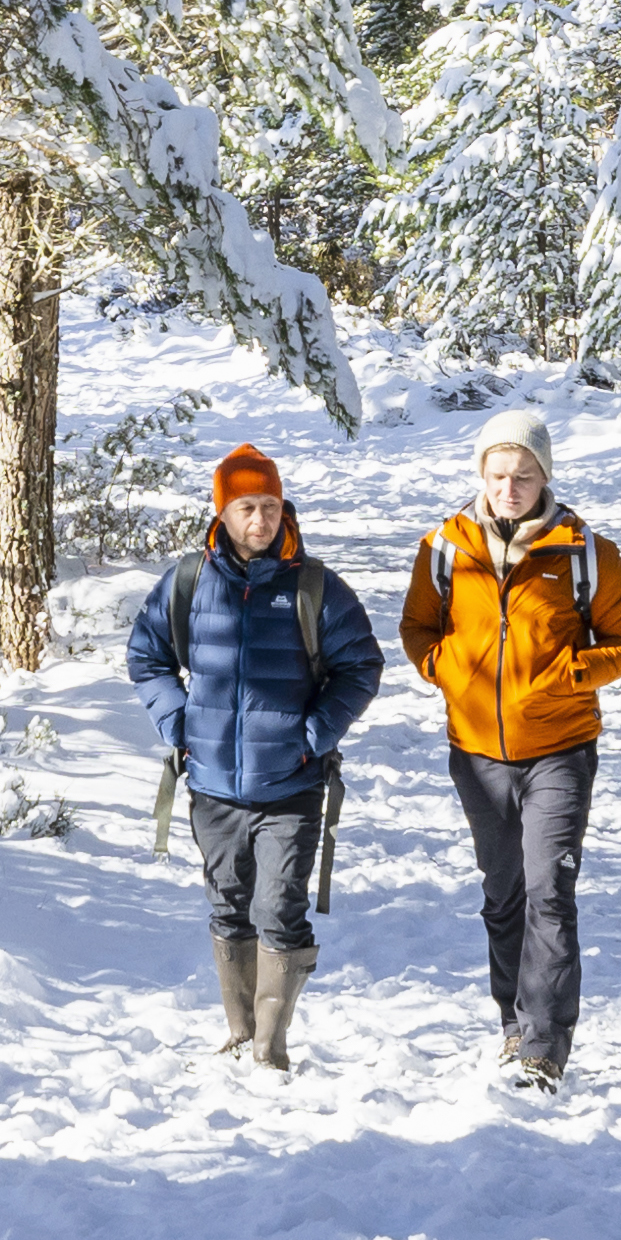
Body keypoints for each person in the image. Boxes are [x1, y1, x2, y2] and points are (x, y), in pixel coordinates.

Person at [401, 419, 621, 1088]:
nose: (510, 487)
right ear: (481, 475)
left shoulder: (583, 552)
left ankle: (544, 1043)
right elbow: (417, 626)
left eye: (525, 475)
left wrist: (568, 674)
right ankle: (513, 1023)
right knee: (504, 892)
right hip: (477, 751)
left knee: (549, 891)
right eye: (498, 474)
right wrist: (447, 668)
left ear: (545, 476)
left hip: (560, 749)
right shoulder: (443, 549)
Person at [120, 442, 381, 1071]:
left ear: (282, 507)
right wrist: (177, 723)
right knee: (229, 903)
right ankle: (239, 1032)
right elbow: (147, 656)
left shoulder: (314, 586)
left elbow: (361, 667)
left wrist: (312, 736)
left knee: (278, 908)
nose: (259, 520)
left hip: (290, 785)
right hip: (211, 784)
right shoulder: (188, 582)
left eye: (268, 506)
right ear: (223, 512)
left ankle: (270, 1046)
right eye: (245, 507)